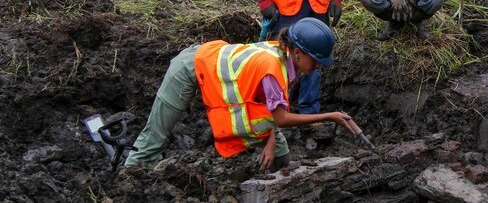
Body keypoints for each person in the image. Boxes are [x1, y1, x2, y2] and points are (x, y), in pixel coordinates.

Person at [124, 18, 355, 171]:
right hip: (190, 68)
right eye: (316, 60)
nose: (318, 66)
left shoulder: (287, 62)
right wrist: (330, 116)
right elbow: (282, 118)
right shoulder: (274, 67)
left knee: (281, 154)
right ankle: (130, 177)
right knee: (155, 136)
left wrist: (272, 142)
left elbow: (274, 109)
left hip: (214, 75)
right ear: (297, 53)